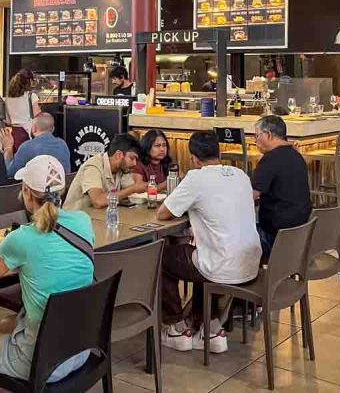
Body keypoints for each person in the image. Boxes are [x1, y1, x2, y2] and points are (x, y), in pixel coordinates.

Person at [0, 155, 93, 386]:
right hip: (80, 346)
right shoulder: (83, 221)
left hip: (44, 358)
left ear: (26, 192)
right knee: (7, 325)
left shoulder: (20, 239)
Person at [157, 131, 261, 354]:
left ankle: (176, 329)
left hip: (221, 267)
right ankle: (211, 328)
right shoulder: (241, 174)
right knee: (202, 253)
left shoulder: (195, 178)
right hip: (250, 263)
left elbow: (163, 213)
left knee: (162, 258)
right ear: (220, 152)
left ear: (193, 157)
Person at [252, 116, 312, 258]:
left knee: (232, 235)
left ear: (268, 135)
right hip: (299, 235)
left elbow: (250, 195)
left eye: (257, 136)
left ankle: (237, 277)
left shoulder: (270, 159)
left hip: (275, 239)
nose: (255, 141)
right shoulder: (296, 155)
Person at [63, 133, 146, 210]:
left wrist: (141, 188)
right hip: (74, 220)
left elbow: (130, 190)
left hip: (99, 217)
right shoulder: (93, 167)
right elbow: (98, 201)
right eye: (132, 158)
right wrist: (133, 189)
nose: (135, 163)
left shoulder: (121, 168)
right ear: (119, 155)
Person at [5, 112, 70, 177]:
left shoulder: (27, 147)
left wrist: (8, 148)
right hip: (62, 186)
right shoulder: (63, 145)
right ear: (53, 129)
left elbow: (10, 173)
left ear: (34, 128)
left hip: (37, 187)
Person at [5, 69, 41, 152]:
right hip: (26, 134)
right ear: (29, 81)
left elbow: (8, 121)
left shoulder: (8, 98)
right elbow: (37, 115)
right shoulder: (31, 96)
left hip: (13, 134)